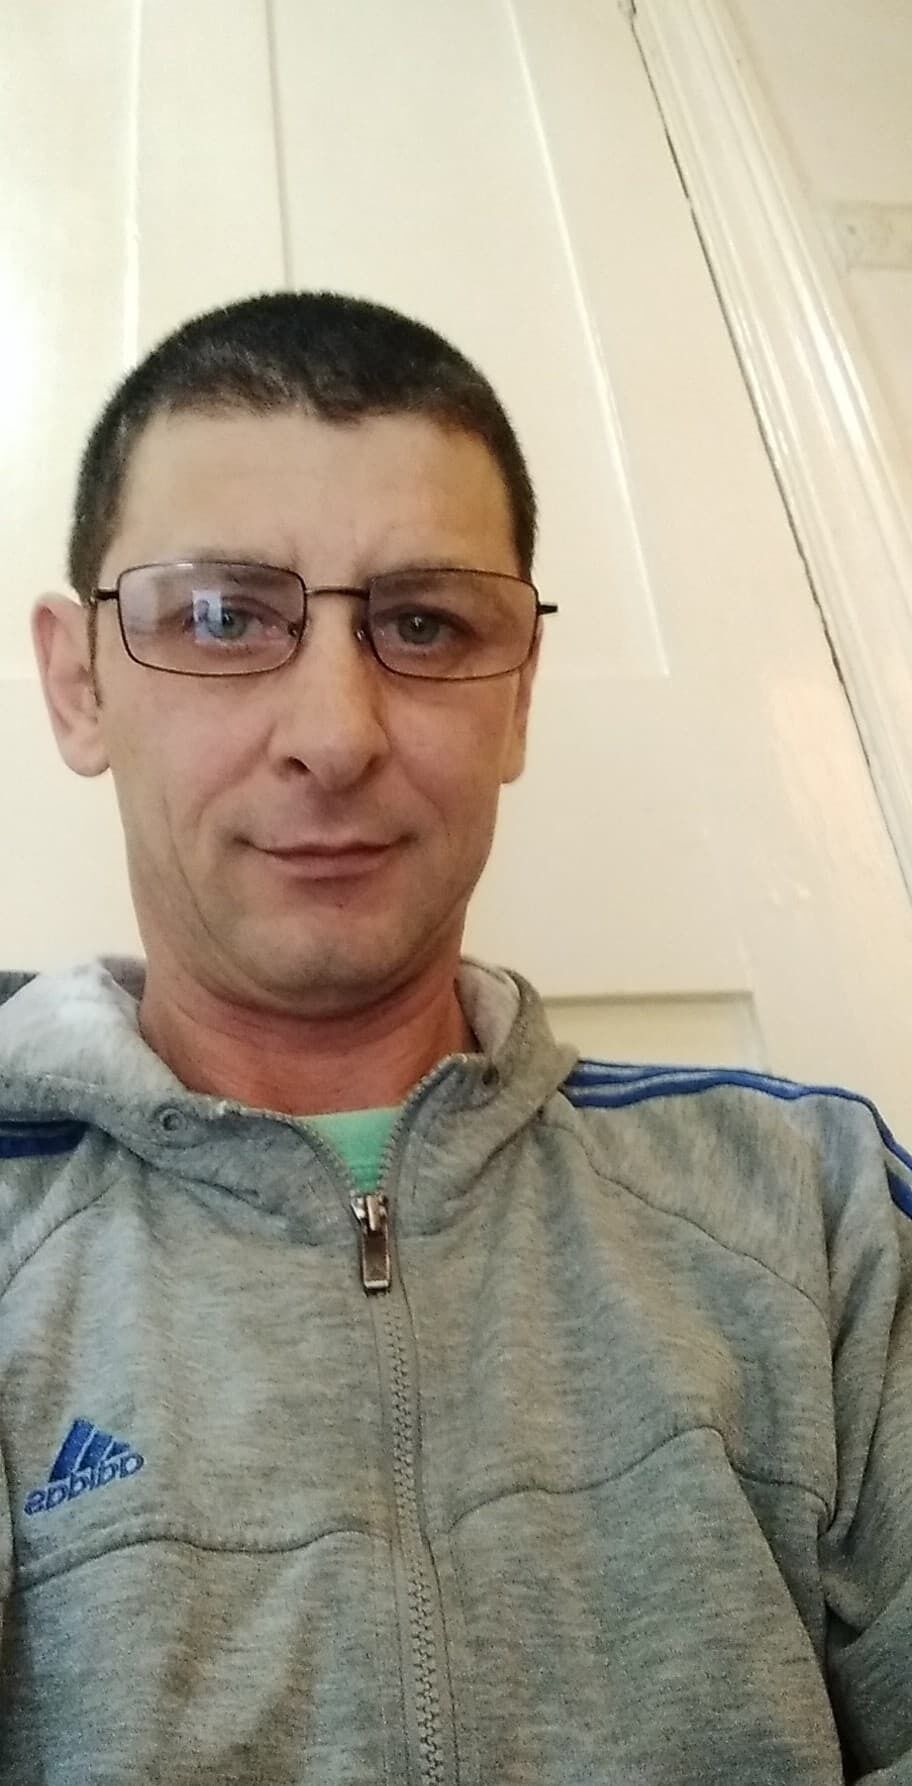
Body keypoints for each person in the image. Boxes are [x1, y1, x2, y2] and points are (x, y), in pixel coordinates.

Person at [0, 290, 909, 1786]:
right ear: (77, 681)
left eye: (424, 624)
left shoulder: (817, 1213)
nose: (336, 732)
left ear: (520, 696)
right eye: (223, 617)